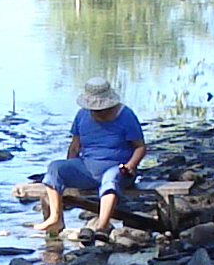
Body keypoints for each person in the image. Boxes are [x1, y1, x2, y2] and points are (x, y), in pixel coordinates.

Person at [35, 77, 146, 236]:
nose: (98, 112)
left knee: (111, 178)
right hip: (87, 167)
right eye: (94, 109)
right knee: (55, 167)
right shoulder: (82, 115)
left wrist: (129, 166)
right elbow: (74, 146)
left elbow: (140, 147)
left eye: (101, 109)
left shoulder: (126, 115)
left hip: (118, 169)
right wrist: (69, 168)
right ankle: (55, 217)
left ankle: (102, 225)